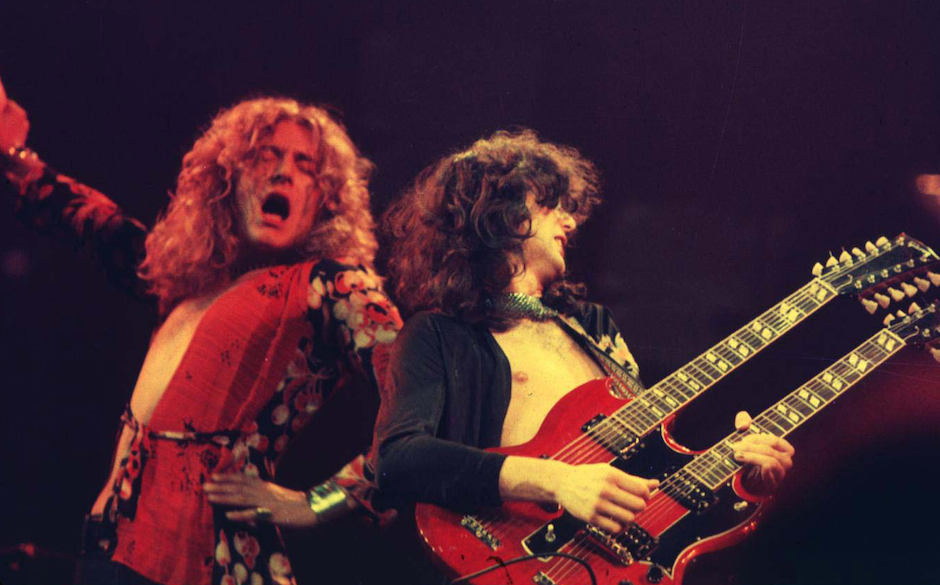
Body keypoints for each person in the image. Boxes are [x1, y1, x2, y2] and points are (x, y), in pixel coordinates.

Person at [0, 77, 401, 585]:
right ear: (225, 178)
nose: (283, 171)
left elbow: (423, 399)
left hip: (205, 562)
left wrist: (316, 503)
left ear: (325, 200)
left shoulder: (329, 285)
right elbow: (95, 222)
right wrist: (12, 153)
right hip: (106, 549)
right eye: (265, 156)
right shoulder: (187, 281)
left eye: (306, 168)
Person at [370, 129, 794, 575]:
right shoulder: (437, 334)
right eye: (550, 206)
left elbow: (646, 474)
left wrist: (740, 478)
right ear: (502, 215)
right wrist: (557, 480)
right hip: (495, 563)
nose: (570, 224)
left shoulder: (593, 327)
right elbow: (397, 458)